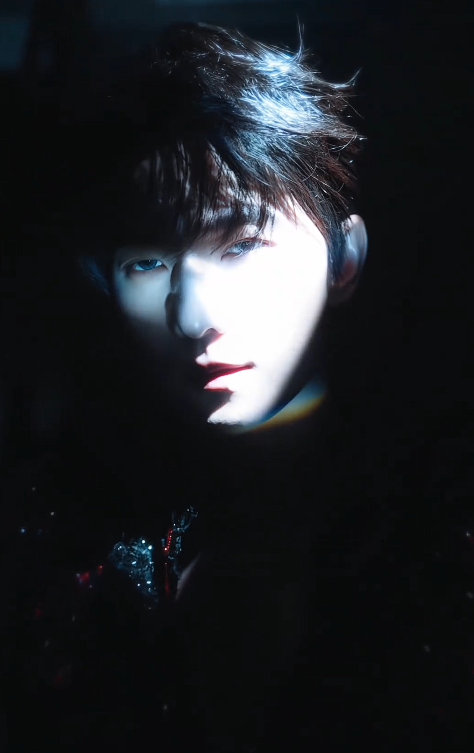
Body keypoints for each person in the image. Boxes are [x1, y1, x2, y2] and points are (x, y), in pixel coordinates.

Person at [2, 21, 473, 753]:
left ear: (345, 258)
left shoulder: (437, 527)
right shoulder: (62, 531)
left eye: (244, 244)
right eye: (146, 263)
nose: (192, 316)